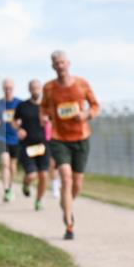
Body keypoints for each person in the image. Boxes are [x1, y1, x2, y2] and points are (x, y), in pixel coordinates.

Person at [41, 50, 99, 239]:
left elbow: (95, 105)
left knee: (77, 184)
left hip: (81, 138)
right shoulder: (49, 88)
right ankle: (69, 224)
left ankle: (67, 204)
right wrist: (43, 117)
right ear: (53, 66)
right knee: (65, 177)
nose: (60, 66)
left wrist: (86, 114)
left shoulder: (81, 84)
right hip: (59, 138)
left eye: (63, 62)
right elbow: (43, 106)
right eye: (57, 63)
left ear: (69, 64)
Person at [14, 79, 51, 210]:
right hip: (27, 146)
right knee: (32, 175)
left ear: (41, 89)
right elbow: (14, 121)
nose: (35, 90)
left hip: (43, 145)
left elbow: (55, 122)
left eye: (37, 88)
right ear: (29, 89)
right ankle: (26, 184)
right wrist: (19, 129)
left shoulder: (46, 107)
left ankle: (38, 200)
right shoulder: (22, 106)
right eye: (33, 88)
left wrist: (48, 122)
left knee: (44, 175)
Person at [0, 79, 22, 202]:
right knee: (5, 162)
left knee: (12, 165)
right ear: (3, 88)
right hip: (1, 136)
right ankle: (6, 190)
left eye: (10, 88)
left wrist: (19, 123)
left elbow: (22, 120)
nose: (8, 90)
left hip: (14, 138)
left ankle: (10, 186)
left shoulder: (19, 103)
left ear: (13, 88)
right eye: (6, 87)